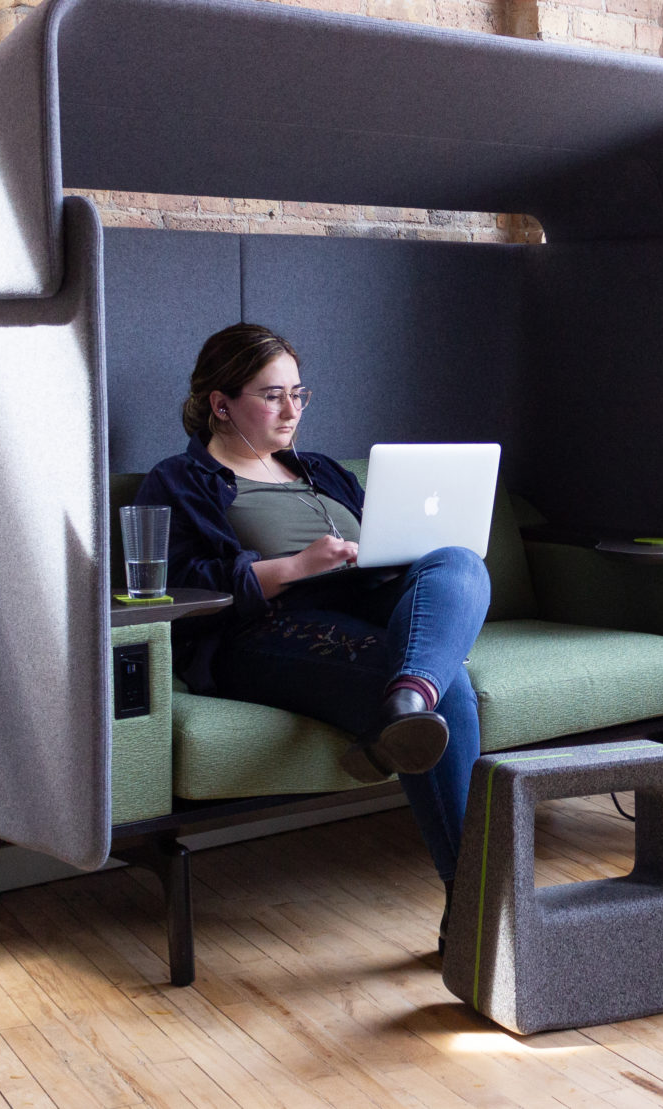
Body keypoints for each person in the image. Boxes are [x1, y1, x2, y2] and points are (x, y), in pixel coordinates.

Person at [133, 323, 487, 949]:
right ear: (221, 403)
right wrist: (296, 567)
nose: (291, 410)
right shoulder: (181, 480)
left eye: (299, 393)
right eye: (272, 396)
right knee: (449, 686)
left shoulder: (320, 469)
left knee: (459, 560)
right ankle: (476, 909)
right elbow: (185, 586)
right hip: (265, 631)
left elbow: (392, 538)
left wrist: (390, 556)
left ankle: (405, 700)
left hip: (369, 605)